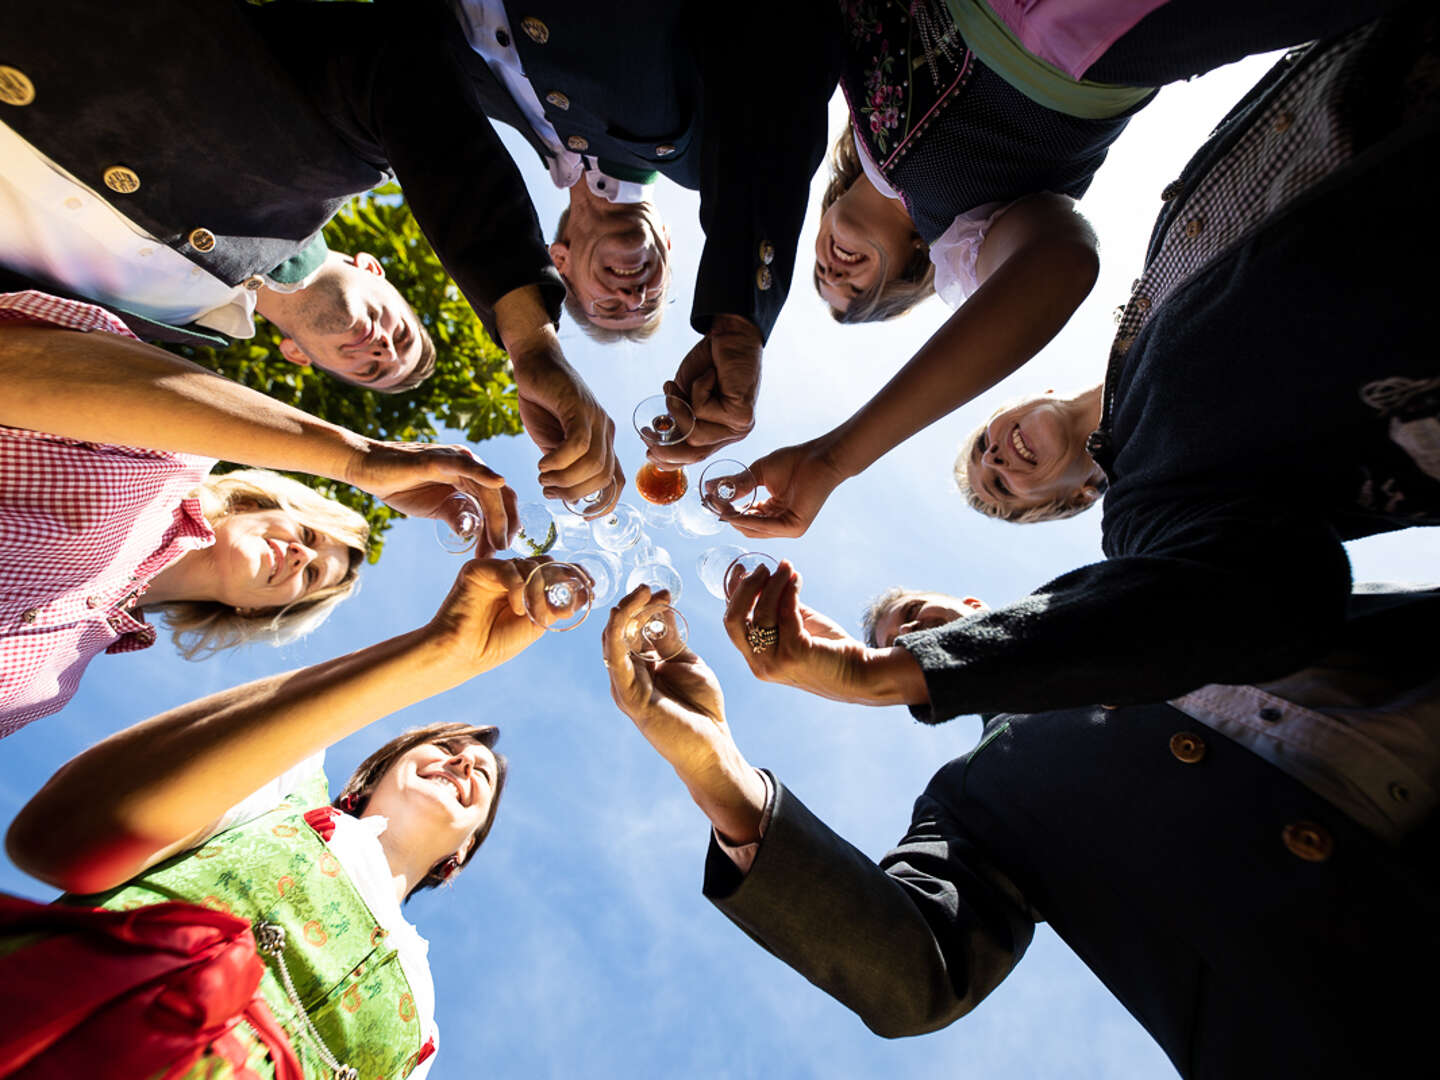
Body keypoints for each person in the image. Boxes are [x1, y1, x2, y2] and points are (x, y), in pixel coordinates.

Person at [602, 580, 1440, 1077]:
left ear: (977, 606)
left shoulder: (1118, 593)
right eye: (896, 642)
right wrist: (715, 767)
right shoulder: (980, 792)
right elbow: (915, 973)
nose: (915, 636)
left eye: (924, 617)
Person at [726, 0, 1394, 539]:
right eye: (854, 293)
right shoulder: (964, 240)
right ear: (905, 272)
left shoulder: (843, 91)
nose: (835, 275)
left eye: (819, 275)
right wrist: (832, 459)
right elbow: (1059, 264)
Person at [1, 557, 546, 1079]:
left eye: (482, 776)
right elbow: (58, 837)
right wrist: (435, 654)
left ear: (462, 853)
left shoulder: (423, 1018)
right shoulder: (282, 787)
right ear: (373, 776)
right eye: (442, 745)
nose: (464, 759)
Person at [0, 291, 519, 733]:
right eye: (308, 535)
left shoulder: (48, 688)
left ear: (259, 611)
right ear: (253, 505)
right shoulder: (167, 454)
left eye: (311, 575)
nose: (298, 555)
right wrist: (359, 461)